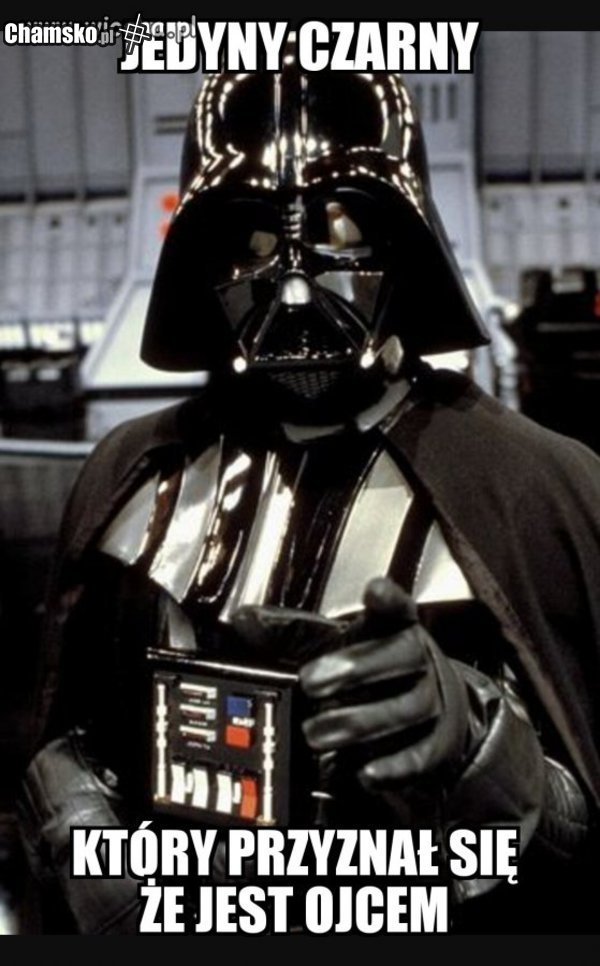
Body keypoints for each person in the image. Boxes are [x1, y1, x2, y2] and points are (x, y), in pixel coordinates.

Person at [16, 57, 600, 936]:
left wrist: (478, 741)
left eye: (341, 233)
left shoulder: (532, 488)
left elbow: (578, 830)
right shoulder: (136, 471)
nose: (292, 287)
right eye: (252, 246)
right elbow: (78, 724)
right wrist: (85, 839)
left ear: (406, 245)